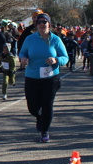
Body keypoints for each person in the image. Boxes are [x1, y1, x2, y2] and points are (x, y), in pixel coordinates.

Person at [18, 13, 68, 143]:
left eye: (44, 22)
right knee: (33, 107)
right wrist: (23, 58)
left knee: (47, 104)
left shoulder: (56, 40)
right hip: (32, 76)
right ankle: (39, 116)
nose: (41, 24)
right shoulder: (30, 39)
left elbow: (65, 58)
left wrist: (56, 60)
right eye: (39, 22)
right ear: (36, 25)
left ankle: (45, 131)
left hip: (50, 78)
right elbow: (22, 53)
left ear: (49, 24)